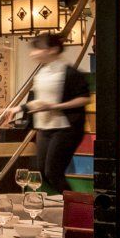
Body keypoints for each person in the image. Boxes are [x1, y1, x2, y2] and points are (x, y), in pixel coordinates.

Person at [25, 32, 91, 195]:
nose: (33, 53)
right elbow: (37, 101)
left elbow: (84, 99)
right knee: (43, 171)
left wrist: (55, 106)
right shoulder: (41, 74)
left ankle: (76, 205)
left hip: (65, 128)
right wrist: (17, 109)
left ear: (53, 50)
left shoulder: (69, 72)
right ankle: (64, 204)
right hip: (44, 127)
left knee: (53, 172)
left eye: (38, 48)